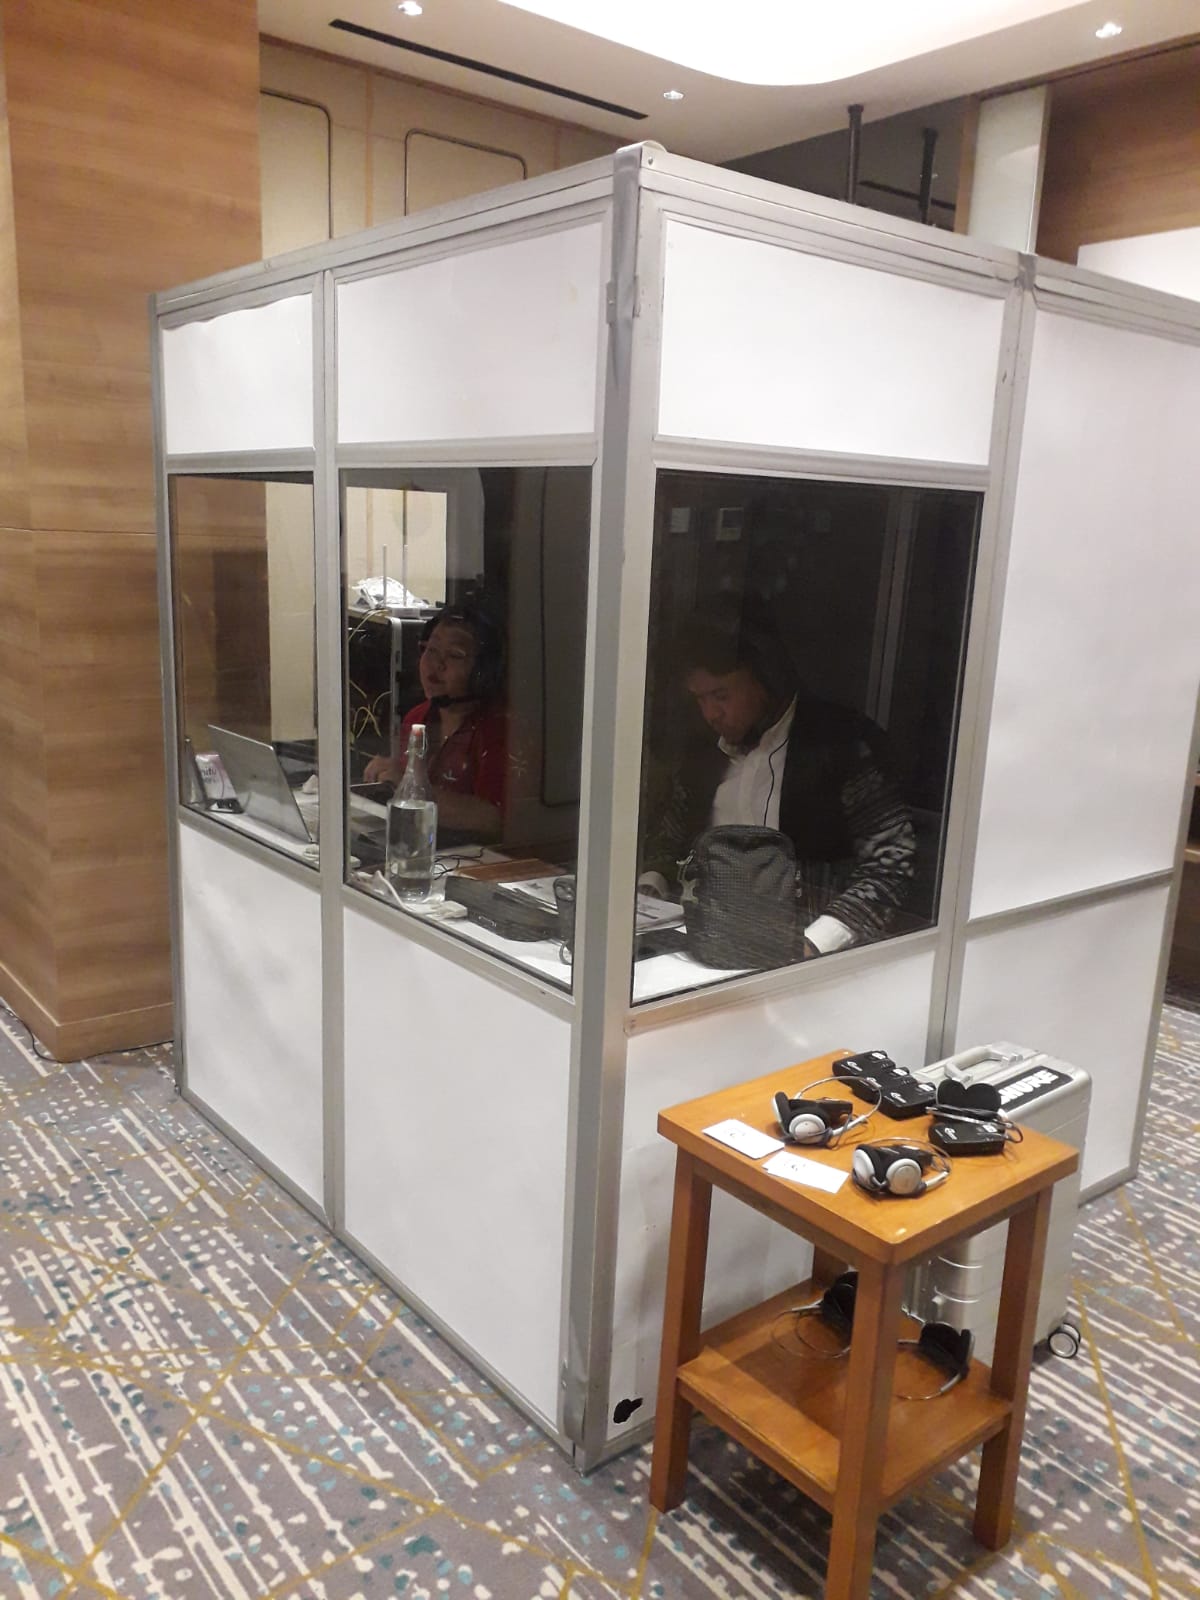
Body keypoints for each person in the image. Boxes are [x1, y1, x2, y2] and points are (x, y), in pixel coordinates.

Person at [639, 607, 916, 956]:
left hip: (807, 941)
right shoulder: (704, 750)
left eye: (721, 696)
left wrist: (815, 944)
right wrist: (650, 888)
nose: (710, 713)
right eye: (700, 699)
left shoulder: (842, 744)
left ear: (765, 680)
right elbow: (670, 835)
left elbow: (891, 863)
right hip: (705, 936)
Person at [364, 603, 506, 843]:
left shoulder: (498, 730)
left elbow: (494, 820)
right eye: (431, 650)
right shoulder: (417, 718)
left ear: (483, 672)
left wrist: (409, 785)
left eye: (455, 655)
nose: (436, 664)